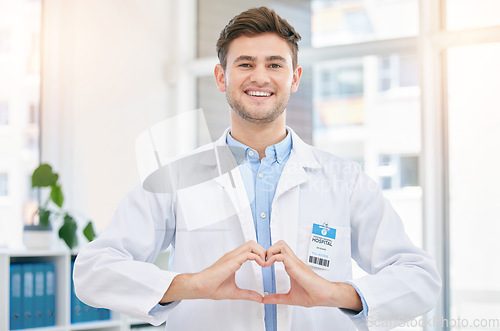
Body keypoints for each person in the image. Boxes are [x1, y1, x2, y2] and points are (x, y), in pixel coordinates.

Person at [74, 7, 441, 331]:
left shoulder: (344, 180)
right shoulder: (178, 178)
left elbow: (420, 279)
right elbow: (92, 271)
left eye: (275, 64)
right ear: (221, 77)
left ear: (295, 78)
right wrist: (191, 285)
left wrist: (335, 294)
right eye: (245, 63)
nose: (260, 77)